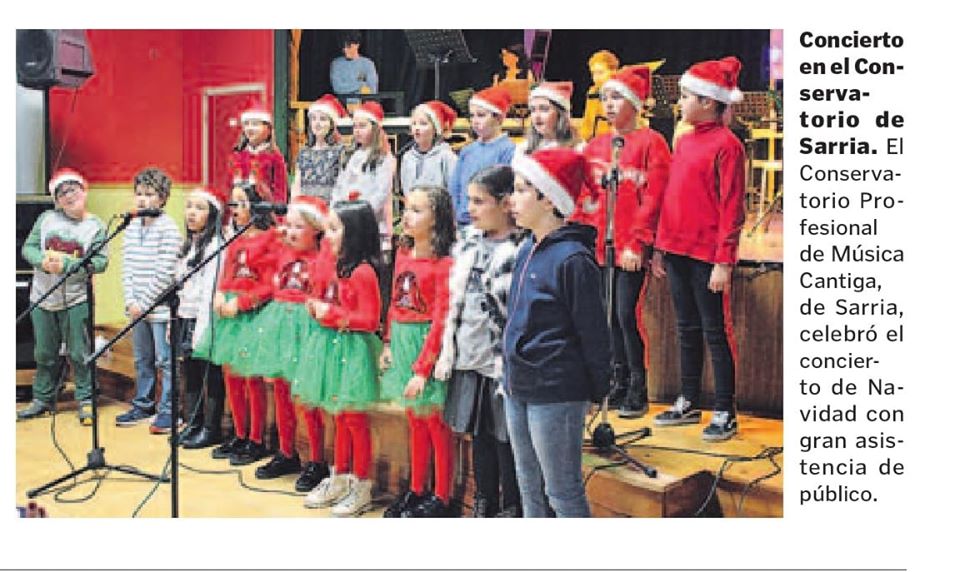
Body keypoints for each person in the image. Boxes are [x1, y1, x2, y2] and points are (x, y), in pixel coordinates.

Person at [504, 148, 611, 517]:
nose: (511, 200)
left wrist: (598, 388)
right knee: (528, 484)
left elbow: (594, 333)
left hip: (556, 390)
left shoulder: (573, 260)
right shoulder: (525, 250)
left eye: (520, 190)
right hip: (520, 385)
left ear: (548, 198)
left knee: (562, 491)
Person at [651, 56, 747, 442]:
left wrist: (724, 260)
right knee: (685, 328)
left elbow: (732, 206)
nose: (680, 103)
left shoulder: (728, 146)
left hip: (707, 256)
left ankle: (725, 408)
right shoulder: (685, 140)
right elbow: (674, 197)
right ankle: (689, 398)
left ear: (709, 101)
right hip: (676, 250)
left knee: (714, 331)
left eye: (686, 96)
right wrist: (660, 247)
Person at [571, 65, 671, 417]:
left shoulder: (651, 142)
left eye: (616, 98)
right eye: (604, 99)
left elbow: (655, 197)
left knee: (625, 314)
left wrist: (639, 243)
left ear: (634, 103)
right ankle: (614, 380)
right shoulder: (597, 146)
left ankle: (637, 386)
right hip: (599, 246)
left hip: (629, 248)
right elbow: (585, 196)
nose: (608, 105)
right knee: (604, 316)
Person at [435, 166, 525, 517]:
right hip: (470, 354)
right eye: (468, 200)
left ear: (505, 204)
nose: (470, 208)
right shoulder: (468, 243)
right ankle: (484, 500)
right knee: (480, 435)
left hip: (501, 362)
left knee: (507, 439)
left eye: (479, 201)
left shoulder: (520, 248)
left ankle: (512, 505)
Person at [237, 196, 332, 488]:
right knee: (281, 390)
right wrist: (276, 232)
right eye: (287, 226)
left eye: (298, 227)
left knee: (307, 397)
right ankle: (286, 451)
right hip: (280, 324)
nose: (289, 232)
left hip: (307, 327)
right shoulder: (281, 250)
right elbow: (257, 250)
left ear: (316, 229)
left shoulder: (324, 257)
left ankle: (317, 460)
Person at [298, 198, 382, 516]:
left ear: (355, 234)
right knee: (338, 416)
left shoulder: (362, 272)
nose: (327, 235)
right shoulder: (334, 265)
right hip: (331, 348)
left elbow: (370, 320)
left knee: (354, 419)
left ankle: (362, 485)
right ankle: (340, 476)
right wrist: (316, 306)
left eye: (334, 229)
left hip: (353, 351)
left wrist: (330, 313)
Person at [380, 186, 457, 518]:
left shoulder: (444, 263)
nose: (407, 216)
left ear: (436, 218)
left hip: (426, 345)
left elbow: (441, 318)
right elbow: (395, 301)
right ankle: (417, 488)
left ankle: (442, 497)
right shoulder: (402, 252)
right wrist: (386, 342)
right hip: (401, 339)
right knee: (415, 421)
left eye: (417, 210)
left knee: (435, 424)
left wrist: (423, 368)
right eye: (406, 208)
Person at [194, 180, 279, 466]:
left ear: (257, 206)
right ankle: (239, 434)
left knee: (251, 378)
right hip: (229, 312)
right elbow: (228, 272)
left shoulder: (271, 239)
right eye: (233, 203)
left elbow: (270, 285)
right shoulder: (236, 238)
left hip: (252, 314)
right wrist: (219, 293)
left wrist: (242, 303)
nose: (236, 209)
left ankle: (256, 439)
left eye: (242, 203)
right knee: (232, 376)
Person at [17, 169, 108, 424]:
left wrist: (68, 265)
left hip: (76, 300)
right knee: (44, 353)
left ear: (84, 189)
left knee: (80, 353)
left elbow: (100, 263)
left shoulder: (96, 227)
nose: (69, 195)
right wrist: (43, 262)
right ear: (56, 200)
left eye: (73, 189)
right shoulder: (46, 219)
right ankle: (42, 399)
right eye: (62, 192)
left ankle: (86, 400)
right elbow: (29, 248)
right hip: (42, 298)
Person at [116, 167, 182, 434]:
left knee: (165, 361)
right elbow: (127, 267)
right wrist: (131, 300)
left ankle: (168, 410)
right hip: (137, 308)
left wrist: (143, 303)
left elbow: (166, 273)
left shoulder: (169, 229)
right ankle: (143, 405)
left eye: (149, 194)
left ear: (162, 198)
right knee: (142, 358)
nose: (142, 200)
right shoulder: (131, 227)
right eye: (139, 194)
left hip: (159, 309)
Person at [175, 186, 228, 449]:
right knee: (191, 373)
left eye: (199, 208)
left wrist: (201, 327)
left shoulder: (216, 246)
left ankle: (211, 427)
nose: (192, 213)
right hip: (186, 314)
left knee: (210, 375)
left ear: (212, 214)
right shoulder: (188, 245)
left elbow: (210, 288)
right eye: (189, 207)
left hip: (205, 319)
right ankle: (193, 423)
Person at [448, 86, 515, 228]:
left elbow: (505, 189)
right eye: (472, 116)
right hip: (463, 223)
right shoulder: (467, 151)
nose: (475, 121)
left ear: (499, 118)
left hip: (491, 223)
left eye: (481, 115)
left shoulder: (507, 150)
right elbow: (455, 187)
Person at [334, 101, 395, 253]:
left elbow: (381, 193)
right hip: (348, 219)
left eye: (362, 126)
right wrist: (337, 208)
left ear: (374, 128)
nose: (357, 131)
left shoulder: (383, 158)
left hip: (370, 222)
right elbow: (341, 185)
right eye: (355, 126)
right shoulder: (351, 156)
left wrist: (362, 214)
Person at [227, 103, 288, 204]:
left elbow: (280, 189)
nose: (250, 128)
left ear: (268, 129)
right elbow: (229, 186)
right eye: (247, 124)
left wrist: (278, 213)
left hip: (264, 209)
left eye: (255, 124)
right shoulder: (237, 155)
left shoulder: (275, 157)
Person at [292, 95, 347, 202]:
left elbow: (343, 185)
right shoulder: (304, 152)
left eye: (322, 119)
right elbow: (297, 185)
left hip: (329, 208)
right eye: (313, 119)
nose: (317, 123)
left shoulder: (340, 151)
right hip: (305, 207)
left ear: (331, 125)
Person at [400, 100, 459, 197]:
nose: (417, 128)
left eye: (423, 124)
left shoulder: (447, 157)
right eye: (414, 123)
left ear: (435, 129)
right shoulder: (407, 157)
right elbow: (406, 190)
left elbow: (453, 191)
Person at [519, 81, 580, 154]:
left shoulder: (578, 149)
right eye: (533, 110)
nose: (537, 116)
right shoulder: (523, 149)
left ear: (560, 114)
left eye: (544, 109)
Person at [580, 50, 619, 141]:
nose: (596, 78)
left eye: (600, 72)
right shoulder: (593, 92)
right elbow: (587, 124)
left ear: (613, 72)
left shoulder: (622, 95)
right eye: (593, 73)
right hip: (593, 146)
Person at [330, 31, 378, 96]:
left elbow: (372, 90)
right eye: (343, 47)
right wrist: (361, 85)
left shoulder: (368, 64)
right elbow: (337, 88)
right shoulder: (336, 64)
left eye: (349, 46)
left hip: (363, 103)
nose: (345, 50)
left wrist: (348, 88)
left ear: (357, 45)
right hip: (342, 103)